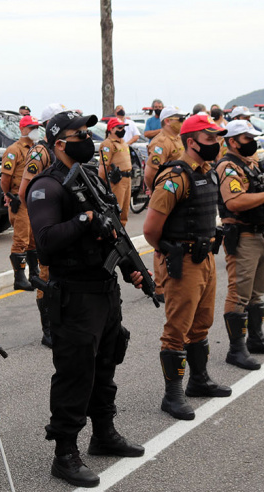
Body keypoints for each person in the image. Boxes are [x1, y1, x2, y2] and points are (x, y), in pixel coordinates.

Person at [26, 111, 146, 488]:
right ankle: (64, 453)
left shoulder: (91, 177)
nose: (87, 139)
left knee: (106, 363)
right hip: (74, 293)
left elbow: (112, 228)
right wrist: (84, 220)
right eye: (80, 134)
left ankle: (104, 433)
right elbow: (44, 242)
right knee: (75, 373)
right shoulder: (47, 185)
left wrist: (132, 269)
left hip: (104, 288)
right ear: (59, 142)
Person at [143, 114, 231, 421]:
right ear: (191, 142)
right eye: (210, 139)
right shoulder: (175, 177)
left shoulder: (207, 172)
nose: (216, 144)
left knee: (201, 323)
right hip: (184, 261)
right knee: (177, 329)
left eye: (218, 138)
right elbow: (151, 229)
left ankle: (199, 380)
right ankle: (173, 395)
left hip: (205, 258)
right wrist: (169, 252)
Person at [215, 120, 264, 372]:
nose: (253, 143)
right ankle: (236, 349)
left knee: (256, 292)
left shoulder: (251, 164)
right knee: (239, 293)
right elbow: (234, 201)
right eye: (247, 138)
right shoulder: (228, 166)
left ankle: (256, 339)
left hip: (259, 233)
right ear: (233, 141)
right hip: (242, 235)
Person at [19, 102, 66, 349]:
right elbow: (25, 190)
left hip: (63, 222)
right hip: (47, 222)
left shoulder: (62, 150)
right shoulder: (40, 152)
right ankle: (48, 329)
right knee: (46, 274)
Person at [143, 106, 187, 305]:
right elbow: (150, 173)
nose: (183, 121)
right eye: (180, 118)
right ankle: (159, 285)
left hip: (177, 195)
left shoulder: (177, 139)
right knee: (161, 239)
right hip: (165, 195)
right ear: (168, 120)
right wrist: (157, 192)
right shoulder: (160, 142)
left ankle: (169, 278)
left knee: (174, 235)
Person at [0, 115, 40, 290]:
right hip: (20, 197)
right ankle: (19, 277)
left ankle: (34, 273)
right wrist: (8, 194)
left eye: (36, 127)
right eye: (31, 127)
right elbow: (5, 177)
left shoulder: (36, 149)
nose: (35, 131)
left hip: (35, 198)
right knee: (21, 238)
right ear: (23, 129)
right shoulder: (13, 150)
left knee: (33, 238)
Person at [98, 117, 133, 226]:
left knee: (125, 212)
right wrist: (102, 186)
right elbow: (103, 166)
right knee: (116, 210)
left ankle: (122, 235)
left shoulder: (123, 143)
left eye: (123, 127)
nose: (123, 130)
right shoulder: (108, 144)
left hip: (127, 179)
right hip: (117, 181)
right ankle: (114, 235)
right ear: (112, 129)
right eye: (120, 127)